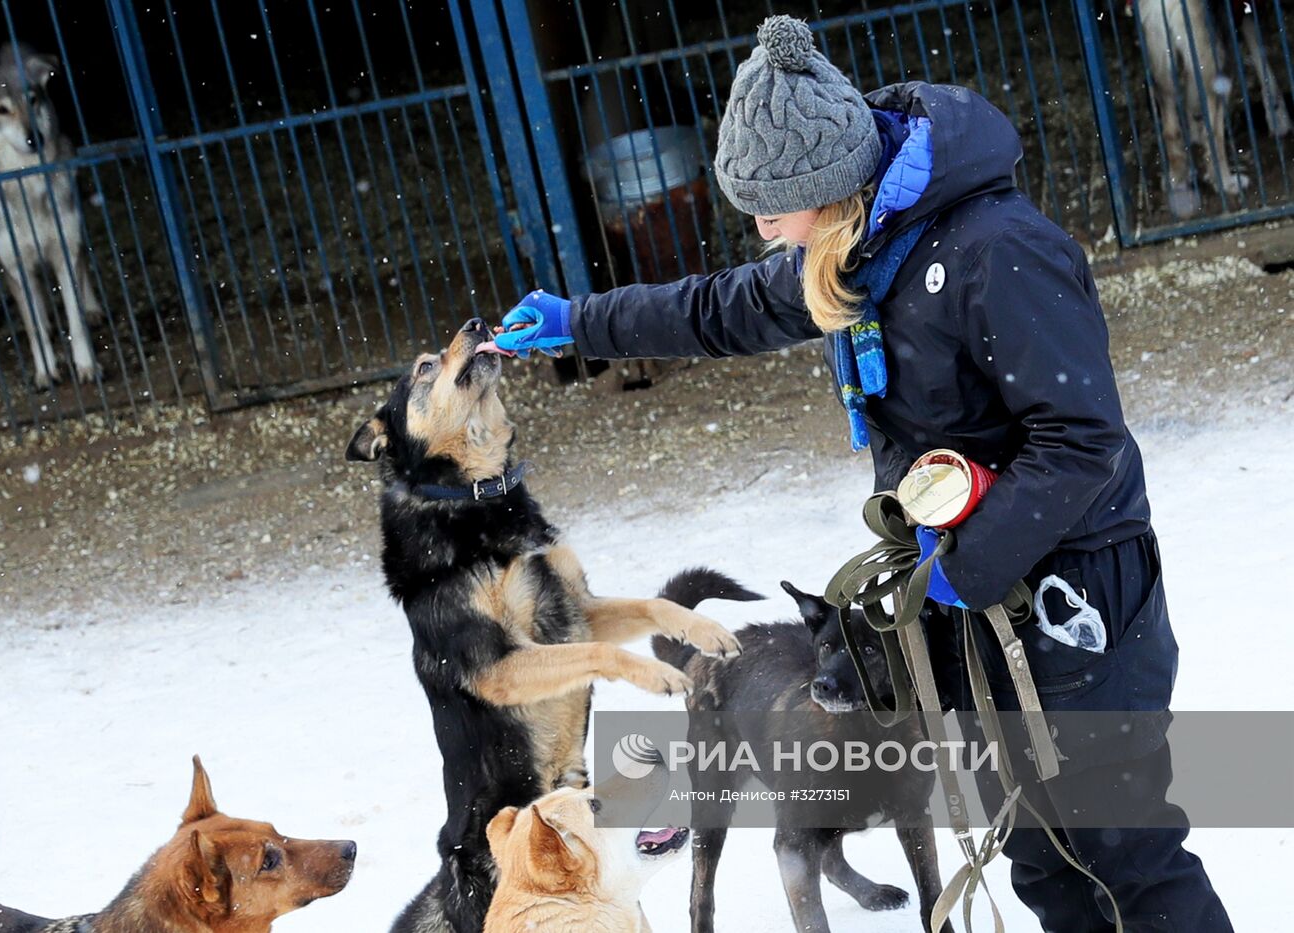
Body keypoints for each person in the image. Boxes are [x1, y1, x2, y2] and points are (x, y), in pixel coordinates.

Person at [491, 15, 1232, 933]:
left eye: (771, 202)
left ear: (831, 183)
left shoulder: (996, 250)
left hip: (1076, 600)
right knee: (1044, 857)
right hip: (975, 610)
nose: (758, 225)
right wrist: (582, 321)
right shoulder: (854, 253)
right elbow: (721, 308)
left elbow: (1082, 441)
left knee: (1125, 853)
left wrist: (967, 565)